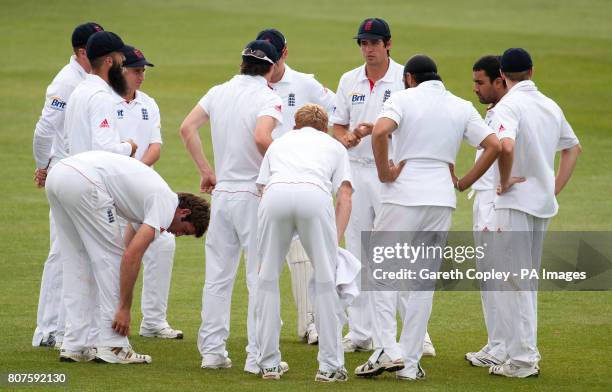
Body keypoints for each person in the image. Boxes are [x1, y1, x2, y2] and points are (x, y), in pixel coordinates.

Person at [355, 55, 500, 380]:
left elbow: (380, 133)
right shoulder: (460, 105)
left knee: (380, 270)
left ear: (408, 78)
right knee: (421, 281)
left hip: (404, 194)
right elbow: (494, 145)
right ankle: (409, 363)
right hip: (442, 199)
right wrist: (463, 182)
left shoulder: (402, 99)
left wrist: (385, 172)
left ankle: (387, 350)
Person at [331, 17, 436, 356]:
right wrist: (346, 137)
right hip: (358, 172)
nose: (368, 49)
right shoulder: (350, 79)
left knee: (397, 252)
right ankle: (360, 332)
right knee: (360, 251)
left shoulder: (405, 78)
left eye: (374, 43)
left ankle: (417, 336)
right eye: (363, 43)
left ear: (388, 44)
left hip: (392, 174)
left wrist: (373, 130)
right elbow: (337, 126)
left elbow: (416, 123)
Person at [179, 40, 284, 373]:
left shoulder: (218, 91)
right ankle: (257, 357)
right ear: (270, 67)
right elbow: (262, 138)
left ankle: (211, 352)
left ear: (242, 63)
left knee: (217, 279)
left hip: (222, 195)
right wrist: (286, 166)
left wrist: (206, 171)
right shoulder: (268, 97)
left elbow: (187, 128)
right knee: (259, 279)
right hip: (254, 196)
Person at [46, 151, 210, 363]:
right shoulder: (165, 203)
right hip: (84, 180)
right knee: (112, 260)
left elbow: (127, 248)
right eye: (184, 231)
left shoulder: (148, 201)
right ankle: (113, 345)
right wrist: (124, 308)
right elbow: (129, 257)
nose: (176, 234)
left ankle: (75, 344)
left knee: (78, 261)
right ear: (184, 212)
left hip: (59, 174)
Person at [488, 48, 581, 378]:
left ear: (502, 74)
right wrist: (553, 187)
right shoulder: (549, 104)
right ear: (531, 70)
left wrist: (504, 180)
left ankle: (524, 360)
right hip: (541, 204)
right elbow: (573, 148)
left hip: (516, 202)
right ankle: (519, 354)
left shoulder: (509, 105)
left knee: (517, 281)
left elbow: (506, 146)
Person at [255, 104, 353, 381]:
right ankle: (330, 366)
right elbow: (344, 196)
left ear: (296, 125)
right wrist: (334, 241)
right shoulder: (335, 146)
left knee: (266, 277)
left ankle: (269, 363)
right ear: (324, 127)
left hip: (275, 196)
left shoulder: (280, 143)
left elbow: (263, 189)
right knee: (325, 279)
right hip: (314, 195)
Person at [255, 27, 336, 344]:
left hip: (301, 180)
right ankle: (262, 329)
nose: (269, 67)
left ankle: (309, 324)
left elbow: (338, 111)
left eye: (273, 59)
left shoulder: (305, 83)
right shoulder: (252, 87)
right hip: (261, 182)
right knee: (262, 259)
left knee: (302, 254)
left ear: (284, 53)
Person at [31, 22, 104, 349]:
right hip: (65, 170)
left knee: (74, 249)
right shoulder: (66, 81)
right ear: (83, 52)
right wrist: (43, 164)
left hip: (80, 171)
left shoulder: (90, 79)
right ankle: (48, 329)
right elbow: (45, 128)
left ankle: (66, 327)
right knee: (62, 250)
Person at [115, 46, 182, 339]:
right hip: (112, 190)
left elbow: (155, 146)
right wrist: (128, 176)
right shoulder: (106, 102)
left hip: (143, 190)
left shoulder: (148, 104)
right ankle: (107, 318)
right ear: (121, 71)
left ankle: (153, 321)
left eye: (143, 70)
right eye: (136, 70)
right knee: (114, 252)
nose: (142, 75)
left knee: (163, 244)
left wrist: (137, 172)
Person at [464, 55, 509, 368]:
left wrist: (502, 186)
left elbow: (506, 149)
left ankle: (504, 347)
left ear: (500, 81)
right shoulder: (496, 112)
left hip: (495, 205)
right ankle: (498, 344)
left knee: (497, 278)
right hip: (487, 203)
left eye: (481, 82)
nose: (475, 88)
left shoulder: (505, 113)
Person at [64, 31, 137, 157]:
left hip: (76, 170)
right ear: (109, 61)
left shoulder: (78, 91)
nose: (124, 60)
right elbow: (104, 151)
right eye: (120, 55)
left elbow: (66, 143)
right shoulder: (101, 97)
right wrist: (129, 147)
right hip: (94, 174)